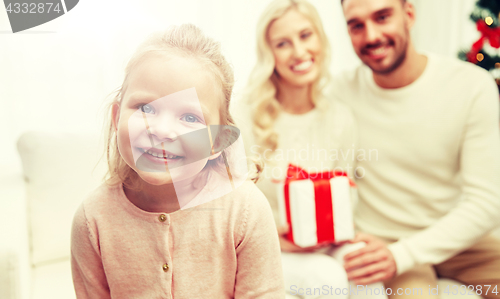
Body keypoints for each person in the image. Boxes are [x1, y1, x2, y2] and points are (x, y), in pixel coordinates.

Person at [70, 24, 285, 298]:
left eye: (190, 117)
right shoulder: (92, 219)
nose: (162, 130)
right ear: (116, 117)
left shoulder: (245, 210)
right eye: (146, 108)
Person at [334, 0, 500, 298]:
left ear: (409, 14)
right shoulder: (338, 92)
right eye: (356, 25)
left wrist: (406, 253)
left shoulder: (471, 85)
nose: (371, 35)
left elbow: (487, 202)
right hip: (385, 241)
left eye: (382, 17)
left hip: (462, 242)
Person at [232, 0, 362, 298]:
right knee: (325, 276)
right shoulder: (245, 116)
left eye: (305, 36)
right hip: (267, 246)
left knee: (364, 269)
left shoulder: (340, 117)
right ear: (270, 54)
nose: (299, 52)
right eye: (283, 43)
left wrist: (337, 232)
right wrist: (280, 235)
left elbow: (346, 194)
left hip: (325, 242)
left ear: (320, 38)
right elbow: (231, 203)